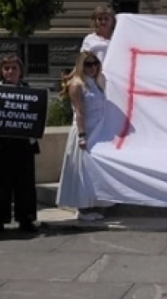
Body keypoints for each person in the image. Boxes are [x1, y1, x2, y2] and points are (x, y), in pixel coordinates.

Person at [0, 54, 39, 234]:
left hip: (23, 144)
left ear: (20, 71)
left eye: (14, 68)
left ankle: (26, 219)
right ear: (1, 71)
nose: (10, 72)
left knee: (24, 183)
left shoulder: (29, 92)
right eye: (6, 68)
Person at [57, 51, 106, 221]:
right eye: (88, 64)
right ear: (80, 66)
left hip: (98, 130)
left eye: (95, 64)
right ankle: (82, 208)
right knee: (82, 170)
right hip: (84, 129)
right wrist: (82, 135)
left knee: (93, 170)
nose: (92, 68)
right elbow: (79, 112)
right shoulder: (77, 85)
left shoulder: (96, 83)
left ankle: (93, 204)